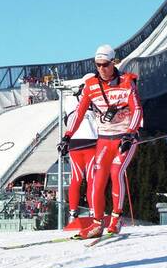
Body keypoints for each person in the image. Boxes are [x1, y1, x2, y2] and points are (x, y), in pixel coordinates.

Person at [58, 45, 142, 238]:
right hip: (104, 140)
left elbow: (137, 109)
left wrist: (130, 133)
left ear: (113, 62)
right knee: (98, 178)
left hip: (124, 138)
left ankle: (116, 218)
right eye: (98, 65)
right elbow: (79, 113)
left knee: (116, 172)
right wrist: (67, 136)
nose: (102, 69)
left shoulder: (127, 82)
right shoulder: (91, 86)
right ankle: (97, 223)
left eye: (105, 64)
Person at [59, 74, 99, 221]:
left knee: (78, 178)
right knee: (90, 179)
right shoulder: (93, 99)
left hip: (76, 142)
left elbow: (67, 120)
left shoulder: (71, 100)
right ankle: (92, 211)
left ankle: (74, 213)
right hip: (89, 143)